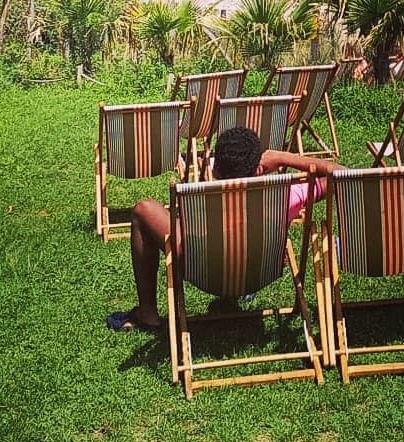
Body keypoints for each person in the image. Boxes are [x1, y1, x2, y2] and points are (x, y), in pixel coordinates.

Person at [106, 126, 345, 333]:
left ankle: (147, 312)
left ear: (216, 170)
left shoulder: (200, 202)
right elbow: (342, 174)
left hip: (205, 274)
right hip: (258, 274)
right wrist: (283, 157)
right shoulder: (287, 196)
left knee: (143, 209)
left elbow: (179, 237)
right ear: (259, 169)